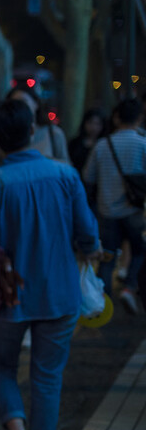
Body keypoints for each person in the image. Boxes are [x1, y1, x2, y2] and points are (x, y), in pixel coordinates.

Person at [0, 100, 100, 430]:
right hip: (60, 293)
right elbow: (87, 233)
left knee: (1, 368)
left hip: (9, 295)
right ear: (33, 130)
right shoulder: (65, 175)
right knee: (48, 377)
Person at [82, 96, 146, 315]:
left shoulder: (102, 145)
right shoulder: (143, 143)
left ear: (117, 118)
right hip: (134, 210)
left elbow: (88, 176)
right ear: (139, 118)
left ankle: (102, 303)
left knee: (107, 258)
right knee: (139, 251)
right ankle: (129, 288)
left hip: (107, 210)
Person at [8, 85, 70, 164]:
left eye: (23, 102)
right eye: (14, 104)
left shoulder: (53, 133)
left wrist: (45, 162)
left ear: (36, 103)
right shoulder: (8, 134)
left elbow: (66, 164)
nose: (19, 107)